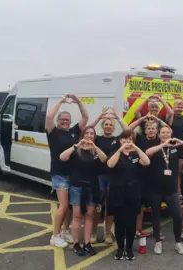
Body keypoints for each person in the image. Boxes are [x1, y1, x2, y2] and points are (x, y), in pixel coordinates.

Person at [146, 126, 183, 255]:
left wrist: (181, 141)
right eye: (163, 132)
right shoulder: (155, 146)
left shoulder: (176, 147)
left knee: (177, 215)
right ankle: (158, 242)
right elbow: (148, 153)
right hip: (155, 187)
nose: (165, 134)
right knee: (156, 216)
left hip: (171, 188)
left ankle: (178, 242)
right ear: (159, 134)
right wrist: (163, 144)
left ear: (171, 134)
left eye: (167, 132)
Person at [46, 94, 89, 248]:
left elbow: (85, 116)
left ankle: (65, 231)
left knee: (70, 207)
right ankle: (55, 236)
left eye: (67, 120)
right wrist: (61, 101)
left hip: (72, 174)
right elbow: (49, 116)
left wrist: (78, 101)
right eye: (62, 119)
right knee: (63, 206)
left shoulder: (74, 131)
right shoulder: (52, 132)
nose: (64, 122)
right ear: (58, 121)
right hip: (59, 174)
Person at [59, 126, 107, 256]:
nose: (90, 136)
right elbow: (62, 157)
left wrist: (94, 147)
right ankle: (76, 243)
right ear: (83, 135)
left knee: (90, 216)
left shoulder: (96, 151)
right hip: (77, 187)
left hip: (92, 187)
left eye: (92, 134)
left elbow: (104, 159)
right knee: (77, 216)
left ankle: (87, 243)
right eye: (87, 133)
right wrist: (77, 145)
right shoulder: (76, 149)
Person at [107, 130, 150, 260]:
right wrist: (120, 149)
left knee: (131, 223)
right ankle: (120, 249)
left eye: (130, 139)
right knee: (119, 222)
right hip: (118, 192)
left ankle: (129, 249)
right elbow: (110, 164)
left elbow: (147, 162)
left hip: (133, 193)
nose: (127, 142)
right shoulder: (115, 153)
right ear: (120, 140)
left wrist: (136, 147)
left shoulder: (136, 154)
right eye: (124, 139)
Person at [88, 107, 128, 244]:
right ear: (102, 126)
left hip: (113, 176)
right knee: (98, 206)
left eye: (111, 125)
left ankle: (107, 233)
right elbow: (87, 129)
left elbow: (127, 131)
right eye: (106, 124)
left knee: (110, 207)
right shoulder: (96, 139)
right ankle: (93, 232)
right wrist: (100, 117)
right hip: (98, 176)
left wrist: (117, 118)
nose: (108, 126)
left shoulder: (117, 140)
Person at [128, 116, 162, 239]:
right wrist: (143, 118)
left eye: (153, 128)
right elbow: (128, 129)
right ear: (145, 130)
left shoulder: (160, 140)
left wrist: (158, 120)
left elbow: (169, 130)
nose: (151, 130)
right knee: (140, 206)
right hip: (140, 176)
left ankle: (157, 230)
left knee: (155, 206)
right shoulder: (140, 139)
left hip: (156, 177)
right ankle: (138, 229)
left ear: (157, 131)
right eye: (148, 128)